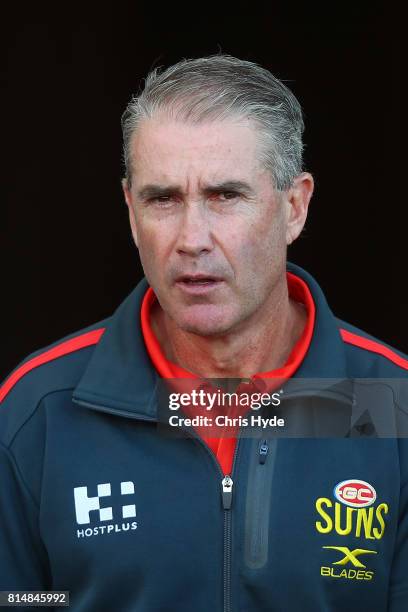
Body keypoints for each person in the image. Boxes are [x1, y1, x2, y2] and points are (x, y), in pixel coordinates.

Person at [0, 55, 407, 612]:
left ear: (295, 206)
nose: (192, 238)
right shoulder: (40, 409)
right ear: (129, 210)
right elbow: (20, 600)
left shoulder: (392, 402)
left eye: (226, 196)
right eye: (162, 199)